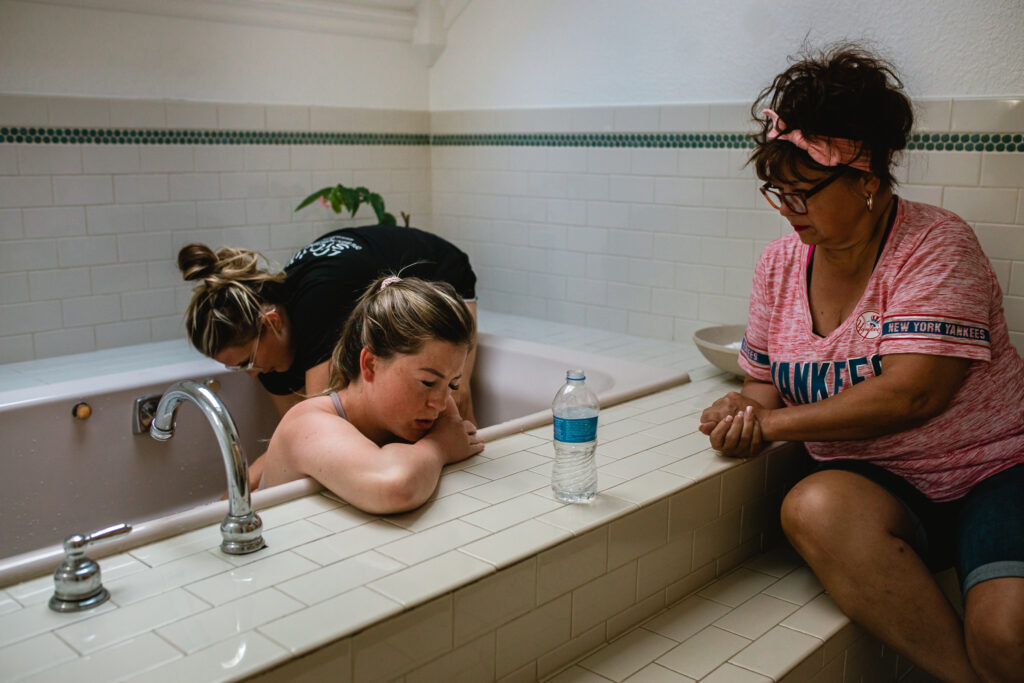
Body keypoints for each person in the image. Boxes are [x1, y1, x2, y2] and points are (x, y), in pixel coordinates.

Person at [699, 45, 1024, 683]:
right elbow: (762, 385)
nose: (788, 209)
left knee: (1006, 634)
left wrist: (770, 427)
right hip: (878, 484)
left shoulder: (936, 245)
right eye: (778, 193)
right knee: (810, 505)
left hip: (996, 471)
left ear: (867, 179)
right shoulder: (780, 264)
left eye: (804, 193)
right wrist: (740, 414)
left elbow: (913, 395)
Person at [179, 224, 480, 423]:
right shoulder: (269, 346)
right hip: (361, 277)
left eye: (247, 362)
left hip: (439, 272)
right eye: (239, 368)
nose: (251, 374)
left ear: (271, 322)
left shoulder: (317, 306)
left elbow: (322, 427)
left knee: (454, 395)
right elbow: (296, 428)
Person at [255, 275, 483, 513]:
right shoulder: (306, 424)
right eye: (427, 382)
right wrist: (441, 447)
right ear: (370, 364)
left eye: (452, 385)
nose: (440, 403)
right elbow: (394, 488)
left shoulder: (427, 408)